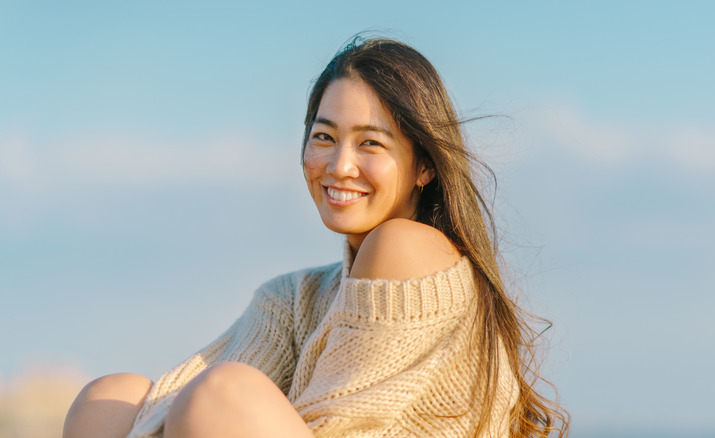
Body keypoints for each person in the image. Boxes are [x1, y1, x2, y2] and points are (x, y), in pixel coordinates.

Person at [63, 37, 568, 438]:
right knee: (109, 399)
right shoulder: (292, 297)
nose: (339, 166)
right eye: (324, 137)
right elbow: (172, 409)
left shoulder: (407, 247)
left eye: (370, 143)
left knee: (225, 395)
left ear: (424, 167)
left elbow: (341, 428)